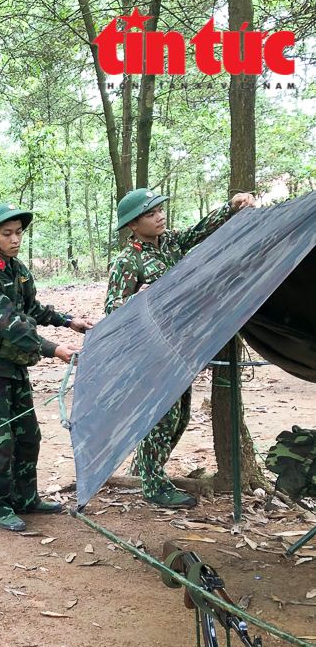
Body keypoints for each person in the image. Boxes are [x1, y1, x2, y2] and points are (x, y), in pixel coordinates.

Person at [106, 188, 255, 507]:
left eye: (160, 210)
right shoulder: (127, 261)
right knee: (162, 416)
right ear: (133, 224)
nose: (159, 216)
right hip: (149, 351)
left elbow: (199, 230)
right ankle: (153, 484)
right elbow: (112, 309)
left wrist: (231, 207)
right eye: (150, 214)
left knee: (180, 415)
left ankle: (147, 468)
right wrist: (147, 295)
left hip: (180, 346)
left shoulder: (171, 241)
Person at [0, 203, 95, 532]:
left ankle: (26, 499)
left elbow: (33, 308)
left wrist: (70, 321)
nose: (15, 239)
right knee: (0, 441)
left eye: (19, 232)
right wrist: (54, 350)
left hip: (15, 370)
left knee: (29, 437)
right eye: (7, 233)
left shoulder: (17, 269)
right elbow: (11, 325)